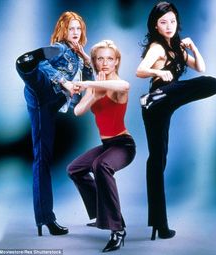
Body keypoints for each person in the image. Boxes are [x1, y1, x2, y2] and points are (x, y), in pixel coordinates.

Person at [136, 1, 216, 241]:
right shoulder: (157, 47)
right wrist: (158, 72)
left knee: (212, 83)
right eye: (164, 22)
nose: (169, 26)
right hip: (156, 104)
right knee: (156, 160)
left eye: (172, 21)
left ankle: (158, 224)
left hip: (167, 100)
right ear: (156, 25)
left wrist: (193, 47)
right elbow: (139, 70)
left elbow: (201, 67)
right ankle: (160, 225)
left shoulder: (178, 48)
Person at [15, 11, 93, 236]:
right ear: (63, 31)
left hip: (51, 103)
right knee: (41, 158)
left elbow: (89, 82)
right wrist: (64, 82)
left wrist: (86, 60)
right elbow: (45, 66)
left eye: (79, 29)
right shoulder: (59, 48)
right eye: (72, 29)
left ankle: (44, 219)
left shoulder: (78, 56)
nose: (76, 33)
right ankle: (25, 64)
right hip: (42, 93)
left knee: (44, 157)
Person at [67, 40, 136, 252]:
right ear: (95, 62)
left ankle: (117, 229)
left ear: (116, 62)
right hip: (107, 145)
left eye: (109, 58)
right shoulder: (96, 87)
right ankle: (103, 213)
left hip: (123, 145)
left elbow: (124, 86)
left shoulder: (116, 85)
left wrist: (89, 85)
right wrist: (92, 95)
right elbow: (78, 111)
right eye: (100, 58)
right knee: (75, 169)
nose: (104, 63)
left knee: (101, 166)